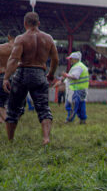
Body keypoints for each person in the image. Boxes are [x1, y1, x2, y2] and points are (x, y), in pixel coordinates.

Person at [2, 13, 58, 144]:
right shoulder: (48, 39)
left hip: (23, 73)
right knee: (43, 108)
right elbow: (55, 59)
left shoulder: (21, 39)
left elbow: (14, 59)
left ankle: (10, 140)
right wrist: (51, 74)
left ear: (25, 24)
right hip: (39, 72)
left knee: (13, 109)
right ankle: (46, 138)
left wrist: (6, 78)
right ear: (38, 23)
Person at [62, 51, 89, 124]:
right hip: (82, 89)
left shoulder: (78, 66)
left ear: (75, 59)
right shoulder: (82, 66)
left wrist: (66, 75)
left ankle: (69, 119)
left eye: (71, 59)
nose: (70, 60)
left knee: (71, 104)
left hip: (76, 89)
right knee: (81, 104)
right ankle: (83, 119)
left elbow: (75, 77)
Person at [0, 29, 20, 122]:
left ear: (9, 37)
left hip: (2, 76)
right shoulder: (21, 49)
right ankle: (8, 119)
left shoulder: (1, 48)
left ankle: (5, 120)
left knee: (1, 102)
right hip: (16, 77)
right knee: (14, 101)